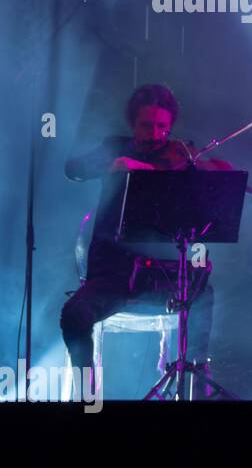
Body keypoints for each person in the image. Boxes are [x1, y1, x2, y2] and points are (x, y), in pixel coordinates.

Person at [61, 83, 221, 396]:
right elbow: (73, 170)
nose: (155, 134)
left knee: (203, 294)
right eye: (147, 126)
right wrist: (113, 165)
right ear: (133, 123)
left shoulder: (180, 155)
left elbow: (216, 173)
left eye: (163, 126)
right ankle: (85, 398)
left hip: (161, 278)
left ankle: (196, 390)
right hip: (112, 278)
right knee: (74, 316)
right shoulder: (115, 147)